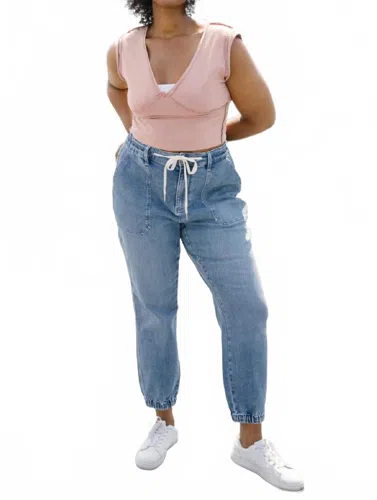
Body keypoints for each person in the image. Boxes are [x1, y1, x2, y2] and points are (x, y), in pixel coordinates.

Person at [106, 0, 303, 491]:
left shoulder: (222, 44)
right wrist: (141, 138)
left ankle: (250, 441)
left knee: (247, 308)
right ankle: (163, 421)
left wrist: (206, 139)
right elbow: (116, 89)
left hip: (212, 191)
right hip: (139, 188)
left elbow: (261, 115)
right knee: (154, 307)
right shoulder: (123, 49)